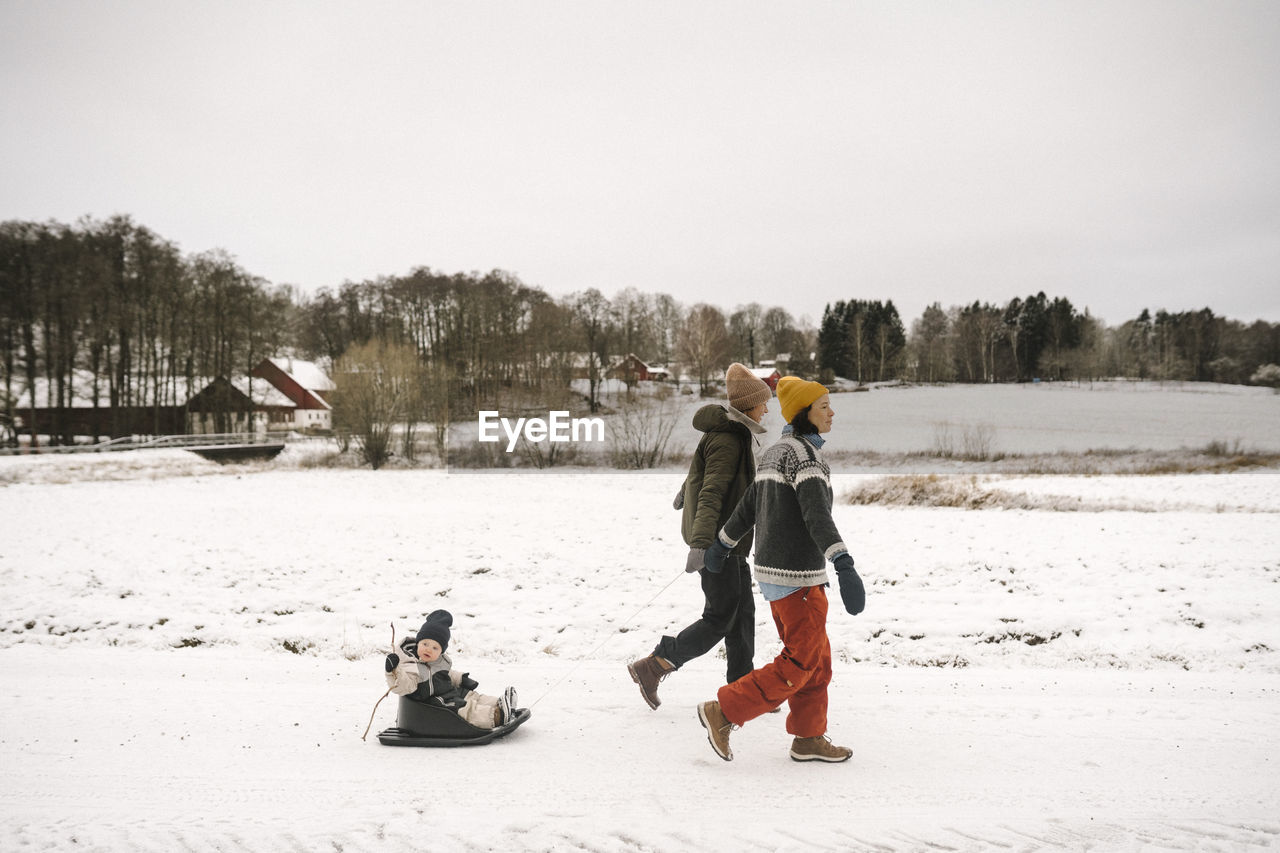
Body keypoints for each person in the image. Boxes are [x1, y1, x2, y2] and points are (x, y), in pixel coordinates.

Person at [695, 376, 866, 763]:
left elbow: (749, 505)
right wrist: (843, 562)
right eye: (824, 406)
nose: (831, 412)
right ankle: (723, 712)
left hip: (772, 574)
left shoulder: (774, 452)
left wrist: (723, 543)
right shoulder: (806, 458)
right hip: (798, 580)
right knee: (801, 662)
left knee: (817, 661)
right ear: (805, 412)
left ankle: (808, 737)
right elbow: (816, 515)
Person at [627, 363, 773, 710]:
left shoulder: (732, 434)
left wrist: (684, 491)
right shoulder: (728, 438)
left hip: (731, 542)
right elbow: (712, 491)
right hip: (718, 544)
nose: (767, 408)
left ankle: (742, 690)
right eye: (764, 402)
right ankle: (656, 663)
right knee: (721, 617)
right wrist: (701, 544)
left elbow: (704, 478)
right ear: (749, 404)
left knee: (743, 617)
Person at [384, 609, 517, 729]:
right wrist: (393, 671)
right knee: (463, 708)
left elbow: (445, 674)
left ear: (441, 651)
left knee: (469, 695)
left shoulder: (439, 661)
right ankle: (495, 716)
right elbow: (403, 686)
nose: (429, 649)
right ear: (418, 642)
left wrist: (460, 678)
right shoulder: (410, 665)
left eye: (435, 648)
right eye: (425, 644)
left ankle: (500, 704)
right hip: (432, 701)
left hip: (446, 691)